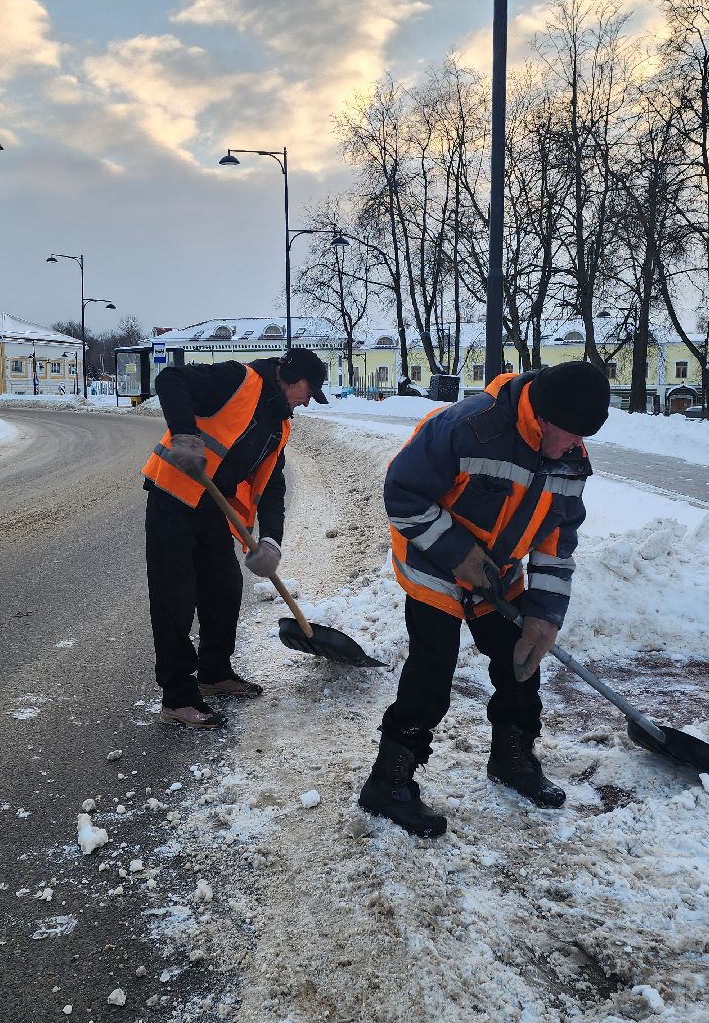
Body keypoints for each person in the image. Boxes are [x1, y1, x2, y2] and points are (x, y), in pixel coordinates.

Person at [358, 360, 611, 837]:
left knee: (520, 660)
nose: (578, 446)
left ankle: (512, 758)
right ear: (543, 417)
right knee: (432, 668)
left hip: (499, 572)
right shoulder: (468, 427)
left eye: (583, 438)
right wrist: (459, 554)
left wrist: (545, 614)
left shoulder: (570, 456)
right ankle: (389, 781)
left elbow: (557, 543)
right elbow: (402, 494)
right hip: (433, 560)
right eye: (573, 434)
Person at [141, 347, 330, 728]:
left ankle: (214, 673)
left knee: (224, 589)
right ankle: (177, 698)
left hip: (212, 506)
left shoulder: (280, 422)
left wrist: (271, 540)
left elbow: (272, 484)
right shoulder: (236, 379)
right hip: (174, 496)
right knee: (175, 598)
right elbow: (170, 379)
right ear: (290, 377)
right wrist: (185, 437)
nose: (308, 400)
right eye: (309, 390)